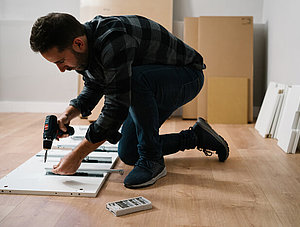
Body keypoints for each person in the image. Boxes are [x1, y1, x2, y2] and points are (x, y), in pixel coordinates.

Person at [30, 13, 229, 189]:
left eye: (61, 61)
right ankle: (196, 137)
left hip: (187, 77)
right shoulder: (84, 49)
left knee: (134, 82)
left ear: (78, 44)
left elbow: (116, 107)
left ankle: (153, 161)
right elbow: (94, 84)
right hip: (150, 85)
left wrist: (78, 155)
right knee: (129, 152)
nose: (61, 69)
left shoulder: (113, 41)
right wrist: (69, 113)